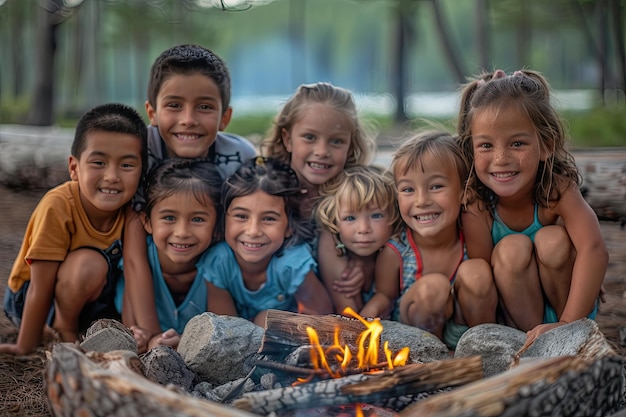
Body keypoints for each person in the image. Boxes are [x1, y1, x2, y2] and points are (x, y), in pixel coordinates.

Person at [457, 69, 608, 347]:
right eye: (486, 145)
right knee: (510, 249)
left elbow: (593, 249)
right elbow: (484, 278)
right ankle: (532, 346)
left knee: (552, 240)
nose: (501, 158)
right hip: (516, 318)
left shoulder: (557, 190)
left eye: (517, 143)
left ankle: (568, 337)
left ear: (546, 145)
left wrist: (567, 320)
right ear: (471, 149)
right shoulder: (477, 204)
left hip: (567, 311)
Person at [123, 44, 257, 351]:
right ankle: (143, 333)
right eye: (174, 105)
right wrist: (149, 330)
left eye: (205, 107)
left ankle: (222, 340)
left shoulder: (239, 156)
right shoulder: (138, 151)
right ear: (152, 112)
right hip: (148, 264)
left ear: (225, 117)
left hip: (214, 263)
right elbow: (132, 232)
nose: (188, 119)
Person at [0, 103, 147, 355]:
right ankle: (64, 328)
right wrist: (25, 345)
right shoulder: (58, 206)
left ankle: (86, 328)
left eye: (126, 165)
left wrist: (140, 329)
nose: (112, 175)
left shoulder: (132, 210)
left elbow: (135, 271)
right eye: (99, 162)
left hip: (96, 296)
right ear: (74, 168)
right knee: (89, 263)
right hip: (34, 300)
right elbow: (39, 286)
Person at [362, 131, 496, 349]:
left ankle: (486, 349)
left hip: (463, 332)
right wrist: (361, 323)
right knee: (434, 288)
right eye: (408, 189)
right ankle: (430, 358)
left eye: (435, 186)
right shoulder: (396, 250)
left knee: (477, 272)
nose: (422, 200)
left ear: (463, 191)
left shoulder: (471, 239)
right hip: (412, 338)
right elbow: (384, 297)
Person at [261, 81, 377, 298]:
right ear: (287, 139)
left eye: (336, 141)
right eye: (310, 137)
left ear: (350, 145)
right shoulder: (268, 191)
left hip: (343, 294)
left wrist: (366, 259)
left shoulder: (356, 191)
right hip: (281, 299)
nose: (322, 151)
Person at [201, 156, 334, 326]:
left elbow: (324, 321)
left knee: (265, 319)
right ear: (224, 219)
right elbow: (225, 329)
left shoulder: (292, 264)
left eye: (269, 219)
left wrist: (266, 323)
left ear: (289, 227)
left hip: (291, 345)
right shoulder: (219, 262)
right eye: (241, 216)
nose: (253, 231)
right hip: (240, 347)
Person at [114, 158, 222, 351]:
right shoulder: (142, 262)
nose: (182, 232)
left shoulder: (218, 264)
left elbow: (224, 335)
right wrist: (143, 339)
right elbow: (135, 332)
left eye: (197, 219)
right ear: (147, 222)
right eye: (169, 218)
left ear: (216, 228)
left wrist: (184, 343)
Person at [313, 165, 401, 314]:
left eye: (376, 215)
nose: (363, 228)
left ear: (394, 214)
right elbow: (347, 311)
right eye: (350, 218)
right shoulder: (331, 241)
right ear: (335, 221)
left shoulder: (399, 248)